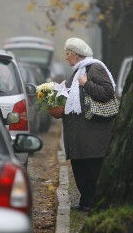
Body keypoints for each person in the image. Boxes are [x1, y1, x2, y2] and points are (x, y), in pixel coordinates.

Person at [62, 38, 115, 212]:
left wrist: (86, 84)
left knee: (92, 170)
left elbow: (107, 91)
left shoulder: (94, 68)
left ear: (77, 55)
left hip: (94, 132)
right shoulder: (78, 71)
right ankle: (86, 201)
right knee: (80, 169)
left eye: (68, 54)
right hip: (79, 133)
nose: (66, 58)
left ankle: (93, 203)